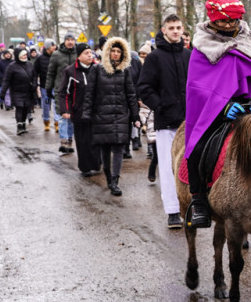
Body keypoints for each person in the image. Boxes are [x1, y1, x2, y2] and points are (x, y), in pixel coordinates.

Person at [182, 0, 251, 228]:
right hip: (217, 112)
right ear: (213, 20)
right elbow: (199, 90)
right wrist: (225, 106)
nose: (229, 25)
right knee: (197, 146)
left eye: (233, 20)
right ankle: (198, 201)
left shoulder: (248, 41)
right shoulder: (201, 49)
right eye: (223, 21)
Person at [138, 15, 189, 228]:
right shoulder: (154, 58)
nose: (175, 31)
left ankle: (190, 206)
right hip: (166, 122)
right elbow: (144, 87)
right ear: (164, 30)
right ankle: (172, 211)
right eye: (171, 28)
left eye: (178, 27)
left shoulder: (189, 55)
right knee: (169, 168)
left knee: (191, 165)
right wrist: (160, 106)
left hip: (189, 121)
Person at [83, 37, 139, 196]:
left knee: (119, 148)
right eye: (113, 51)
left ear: (123, 54)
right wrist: (87, 114)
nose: (115, 54)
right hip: (101, 115)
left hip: (120, 115)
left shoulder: (125, 71)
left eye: (118, 52)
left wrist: (135, 116)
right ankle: (108, 175)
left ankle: (115, 180)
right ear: (107, 52)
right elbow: (89, 94)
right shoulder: (96, 70)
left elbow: (131, 94)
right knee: (105, 149)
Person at [57, 44, 101, 176]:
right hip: (79, 112)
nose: (90, 55)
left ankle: (96, 163)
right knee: (82, 141)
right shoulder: (70, 71)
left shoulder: (98, 69)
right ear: (79, 56)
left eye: (91, 52)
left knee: (95, 139)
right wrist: (65, 110)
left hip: (95, 111)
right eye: (86, 53)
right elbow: (63, 92)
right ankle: (85, 167)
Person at [47, 34, 80, 148]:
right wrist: (48, 88)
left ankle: (70, 140)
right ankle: (64, 142)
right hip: (60, 90)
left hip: (75, 90)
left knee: (72, 117)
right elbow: (51, 73)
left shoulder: (78, 54)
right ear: (64, 41)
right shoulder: (56, 55)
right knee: (62, 116)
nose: (70, 42)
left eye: (72, 40)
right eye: (68, 40)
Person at [2, 49, 37, 134]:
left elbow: (34, 75)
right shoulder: (12, 66)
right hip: (16, 90)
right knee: (19, 108)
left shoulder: (29, 64)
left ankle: (24, 125)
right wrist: (3, 91)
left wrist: (34, 85)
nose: (25, 56)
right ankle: (19, 126)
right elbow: (6, 80)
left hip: (28, 90)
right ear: (18, 56)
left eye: (26, 54)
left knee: (26, 108)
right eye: (23, 55)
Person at [35, 40, 56, 130]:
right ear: (48, 47)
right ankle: (46, 121)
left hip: (56, 86)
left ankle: (57, 122)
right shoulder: (40, 59)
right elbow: (35, 72)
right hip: (45, 87)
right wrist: (35, 83)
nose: (54, 47)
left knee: (56, 105)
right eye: (52, 46)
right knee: (46, 105)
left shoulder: (57, 57)